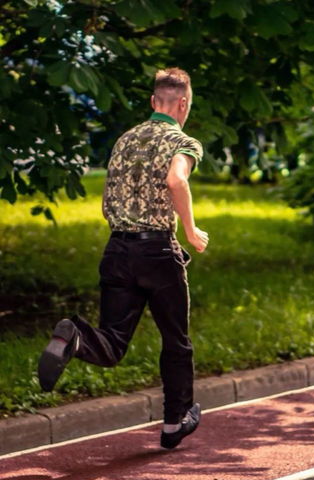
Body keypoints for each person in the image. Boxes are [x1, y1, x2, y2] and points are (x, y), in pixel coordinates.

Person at [38, 67, 208, 450]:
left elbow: (111, 198)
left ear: (153, 102)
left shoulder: (124, 140)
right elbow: (176, 181)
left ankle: (75, 337)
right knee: (176, 342)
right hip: (158, 252)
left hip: (116, 250)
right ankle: (174, 423)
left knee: (112, 343)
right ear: (183, 103)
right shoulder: (183, 142)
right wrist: (191, 232)